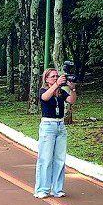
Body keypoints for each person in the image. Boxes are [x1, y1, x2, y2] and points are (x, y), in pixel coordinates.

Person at [35, 68, 75, 198]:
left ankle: (57, 189)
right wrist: (57, 84)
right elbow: (45, 97)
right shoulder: (44, 90)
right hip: (48, 125)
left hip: (60, 125)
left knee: (59, 159)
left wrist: (73, 89)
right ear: (46, 79)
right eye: (52, 76)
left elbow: (72, 101)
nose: (55, 78)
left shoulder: (61, 92)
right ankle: (42, 189)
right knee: (45, 159)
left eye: (57, 76)